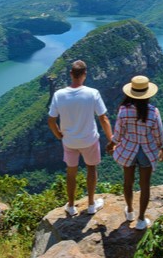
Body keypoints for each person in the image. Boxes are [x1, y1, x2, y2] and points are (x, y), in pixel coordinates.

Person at [48, 60, 113, 216]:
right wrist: (111, 139)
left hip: (69, 141)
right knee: (91, 169)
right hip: (89, 140)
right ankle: (91, 205)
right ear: (84, 74)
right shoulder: (93, 93)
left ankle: (70, 206)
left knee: (71, 173)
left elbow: (51, 120)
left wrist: (58, 135)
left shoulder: (59, 95)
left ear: (71, 74)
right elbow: (103, 119)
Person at [106, 75, 163, 230]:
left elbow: (118, 134)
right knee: (145, 185)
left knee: (128, 182)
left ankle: (130, 211)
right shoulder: (154, 112)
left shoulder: (123, 111)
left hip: (128, 150)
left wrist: (111, 144)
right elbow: (159, 134)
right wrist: (162, 148)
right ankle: (141, 220)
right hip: (147, 152)